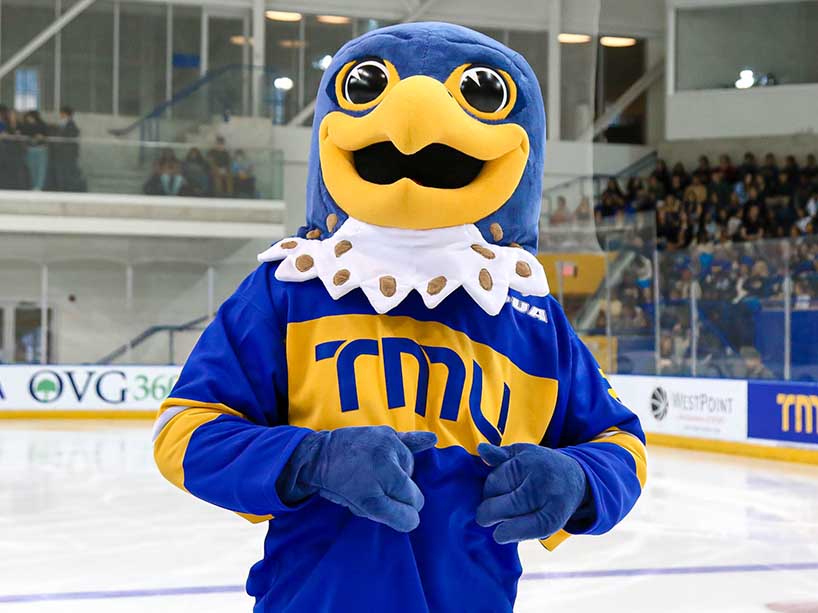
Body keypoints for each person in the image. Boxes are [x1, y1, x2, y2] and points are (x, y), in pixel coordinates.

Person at [152, 23, 646, 613]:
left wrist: (578, 481)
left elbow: (621, 443)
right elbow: (183, 432)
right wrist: (309, 461)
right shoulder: (290, 290)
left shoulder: (528, 314)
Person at [52, 105, 85, 192]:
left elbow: (70, 141)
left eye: (61, 113)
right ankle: (63, 189)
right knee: (62, 174)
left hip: (68, 156)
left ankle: (68, 190)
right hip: (62, 155)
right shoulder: (63, 125)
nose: (60, 115)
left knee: (68, 174)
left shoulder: (72, 126)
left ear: (66, 114)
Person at [20, 110, 49, 190]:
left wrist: (41, 137)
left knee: (40, 169)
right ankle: (34, 185)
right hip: (30, 149)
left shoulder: (42, 125)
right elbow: (23, 135)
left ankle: (39, 186)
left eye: (29, 117)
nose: (28, 119)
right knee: (32, 168)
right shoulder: (26, 125)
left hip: (40, 149)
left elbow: (46, 135)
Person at [0, 105, 27, 190]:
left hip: (17, 151)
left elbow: (23, 136)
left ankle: (17, 187)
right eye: (10, 114)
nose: (12, 116)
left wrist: (18, 136)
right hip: (6, 151)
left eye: (14, 114)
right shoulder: (5, 124)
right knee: (6, 170)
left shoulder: (20, 125)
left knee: (17, 170)